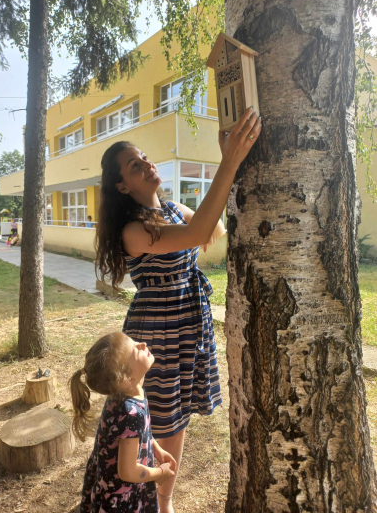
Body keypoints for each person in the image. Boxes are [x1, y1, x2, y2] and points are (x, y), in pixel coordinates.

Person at [96, 107, 261, 512]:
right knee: (162, 419)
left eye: (145, 158)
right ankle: (155, 499)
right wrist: (230, 159)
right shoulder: (133, 230)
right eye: (136, 165)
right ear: (121, 185)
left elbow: (214, 230)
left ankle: (164, 499)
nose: (147, 164)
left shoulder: (170, 210)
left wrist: (227, 169)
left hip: (189, 320)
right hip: (159, 328)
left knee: (179, 416)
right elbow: (199, 232)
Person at [70, 331, 176, 513]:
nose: (142, 344)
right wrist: (159, 474)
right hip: (122, 500)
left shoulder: (125, 393)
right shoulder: (130, 413)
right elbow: (127, 471)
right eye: (135, 350)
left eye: (134, 341)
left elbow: (142, 433)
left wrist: (157, 450)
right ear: (127, 379)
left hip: (116, 486)